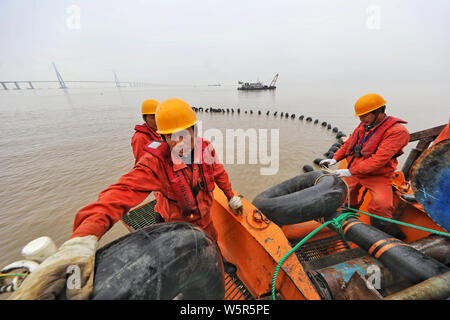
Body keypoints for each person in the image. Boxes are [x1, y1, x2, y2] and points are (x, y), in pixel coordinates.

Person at [10, 98, 243, 300]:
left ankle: (220, 265)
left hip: (205, 220)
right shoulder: (157, 162)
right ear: (162, 137)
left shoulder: (206, 149)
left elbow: (219, 174)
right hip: (176, 223)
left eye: (184, 134)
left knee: (212, 244)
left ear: (195, 130)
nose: (178, 142)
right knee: (179, 263)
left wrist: (231, 197)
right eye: (170, 136)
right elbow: (121, 192)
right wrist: (84, 236)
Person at [320, 93, 410, 231]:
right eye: (360, 116)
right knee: (345, 194)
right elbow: (349, 143)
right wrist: (335, 158)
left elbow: (378, 160)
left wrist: (350, 171)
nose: (361, 119)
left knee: (382, 205)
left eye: (364, 115)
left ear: (379, 111)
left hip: (377, 174)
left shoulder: (397, 131)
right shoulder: (364, 124)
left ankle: (378, 232)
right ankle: (348, 220)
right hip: (355, 169)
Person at [132, 99, 161, 164]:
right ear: (144, 118)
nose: (156, 120)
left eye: (158, 116)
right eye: (152, 117)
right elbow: (142, 162)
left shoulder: (162, 132)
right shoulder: (140, 138)